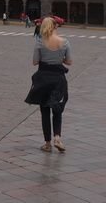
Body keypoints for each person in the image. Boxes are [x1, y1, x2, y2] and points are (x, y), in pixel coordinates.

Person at [25, 16, 72, 153]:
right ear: (55, 26)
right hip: (58, 79)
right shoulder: (65, 42)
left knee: (44, 111)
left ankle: (47, 143)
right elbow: (69, 62)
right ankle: (57, 137)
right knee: (57, 109)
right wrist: (59, 58)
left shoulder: (40, 42)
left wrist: (45, 57)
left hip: (43, 79)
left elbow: (35, 61)